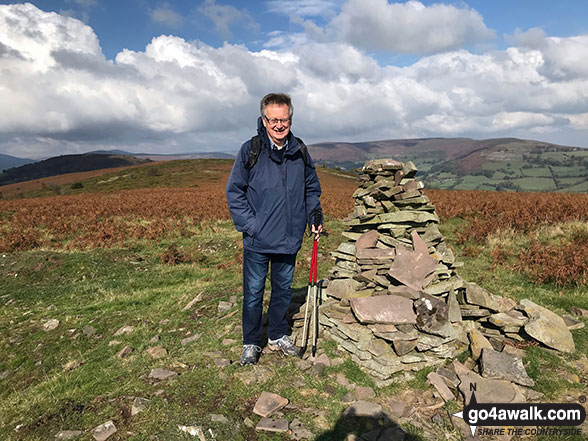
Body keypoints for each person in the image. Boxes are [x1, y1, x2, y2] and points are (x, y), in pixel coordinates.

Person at [226, 93, 323, 366]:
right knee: (253, 294)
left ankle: (278, 335)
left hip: (289, 238)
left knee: (282, 290)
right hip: (258, 240)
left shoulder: (299, 151)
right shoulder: (251, 150)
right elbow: (234, 192)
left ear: (291, 119)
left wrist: (314, 214)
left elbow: (311, 189)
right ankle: (251, 342)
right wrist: (251, 225)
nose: (280, 125)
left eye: (285, 119)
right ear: (264, 120)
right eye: (274, 120)